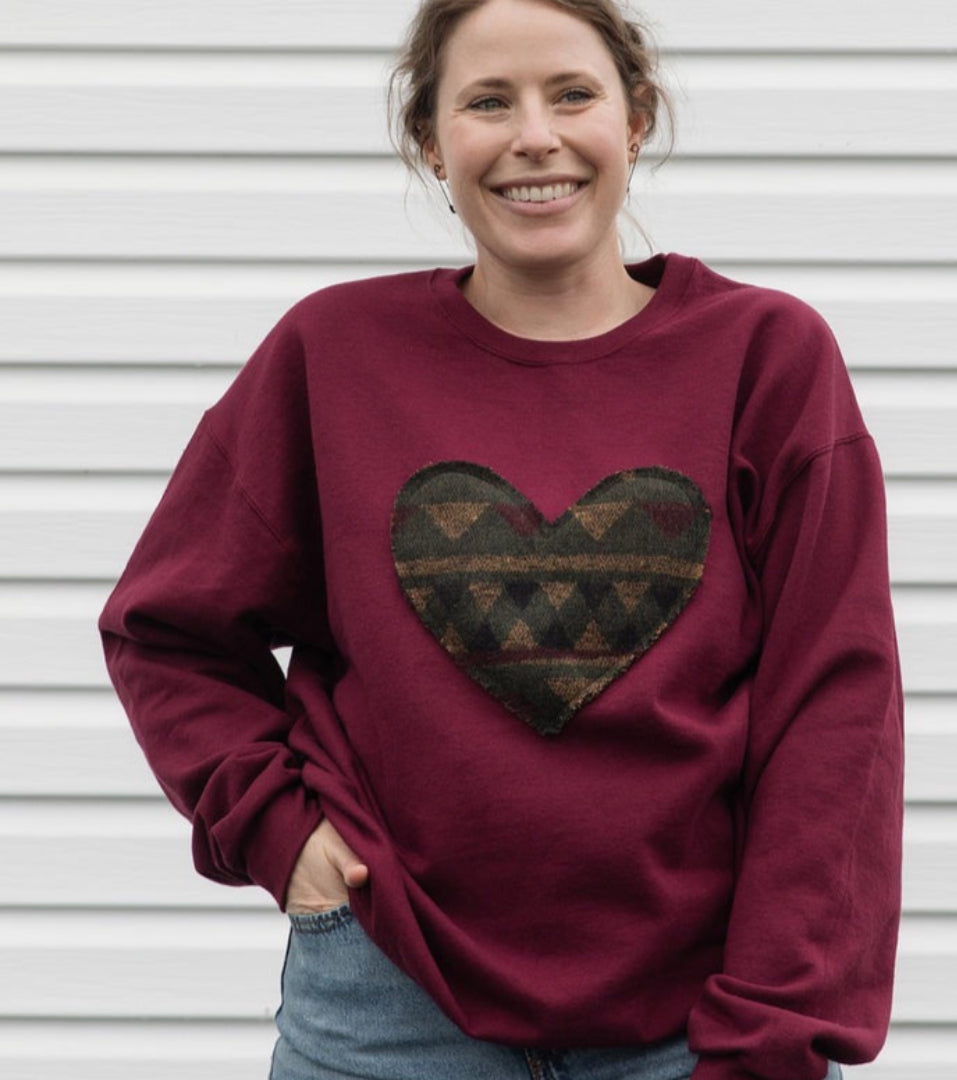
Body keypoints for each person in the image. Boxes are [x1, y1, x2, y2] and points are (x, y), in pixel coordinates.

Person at [98, 0, 904, 1077]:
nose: (536, 136)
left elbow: (833, 714)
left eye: (573, 94)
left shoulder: (768, 360)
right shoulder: (333, 357)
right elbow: (168, 629)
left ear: (637, 117)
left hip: (691, 1023)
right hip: (387, 1005)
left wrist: (773, 1034)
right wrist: (280, 832)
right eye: (488, 101)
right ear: (433, 143)